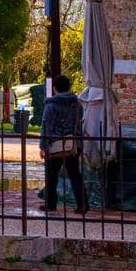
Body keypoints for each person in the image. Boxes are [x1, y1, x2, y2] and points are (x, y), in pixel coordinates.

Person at [39, 74, 88, 214]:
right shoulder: (77, 104)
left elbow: (46, 125)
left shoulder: (52, 104)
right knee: (75, 174)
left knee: (51, 174)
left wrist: (43, 146)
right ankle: (82, 204)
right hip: (73, 143)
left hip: (55, 143)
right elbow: (79, 124)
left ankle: (51, 204)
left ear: (55, 88)